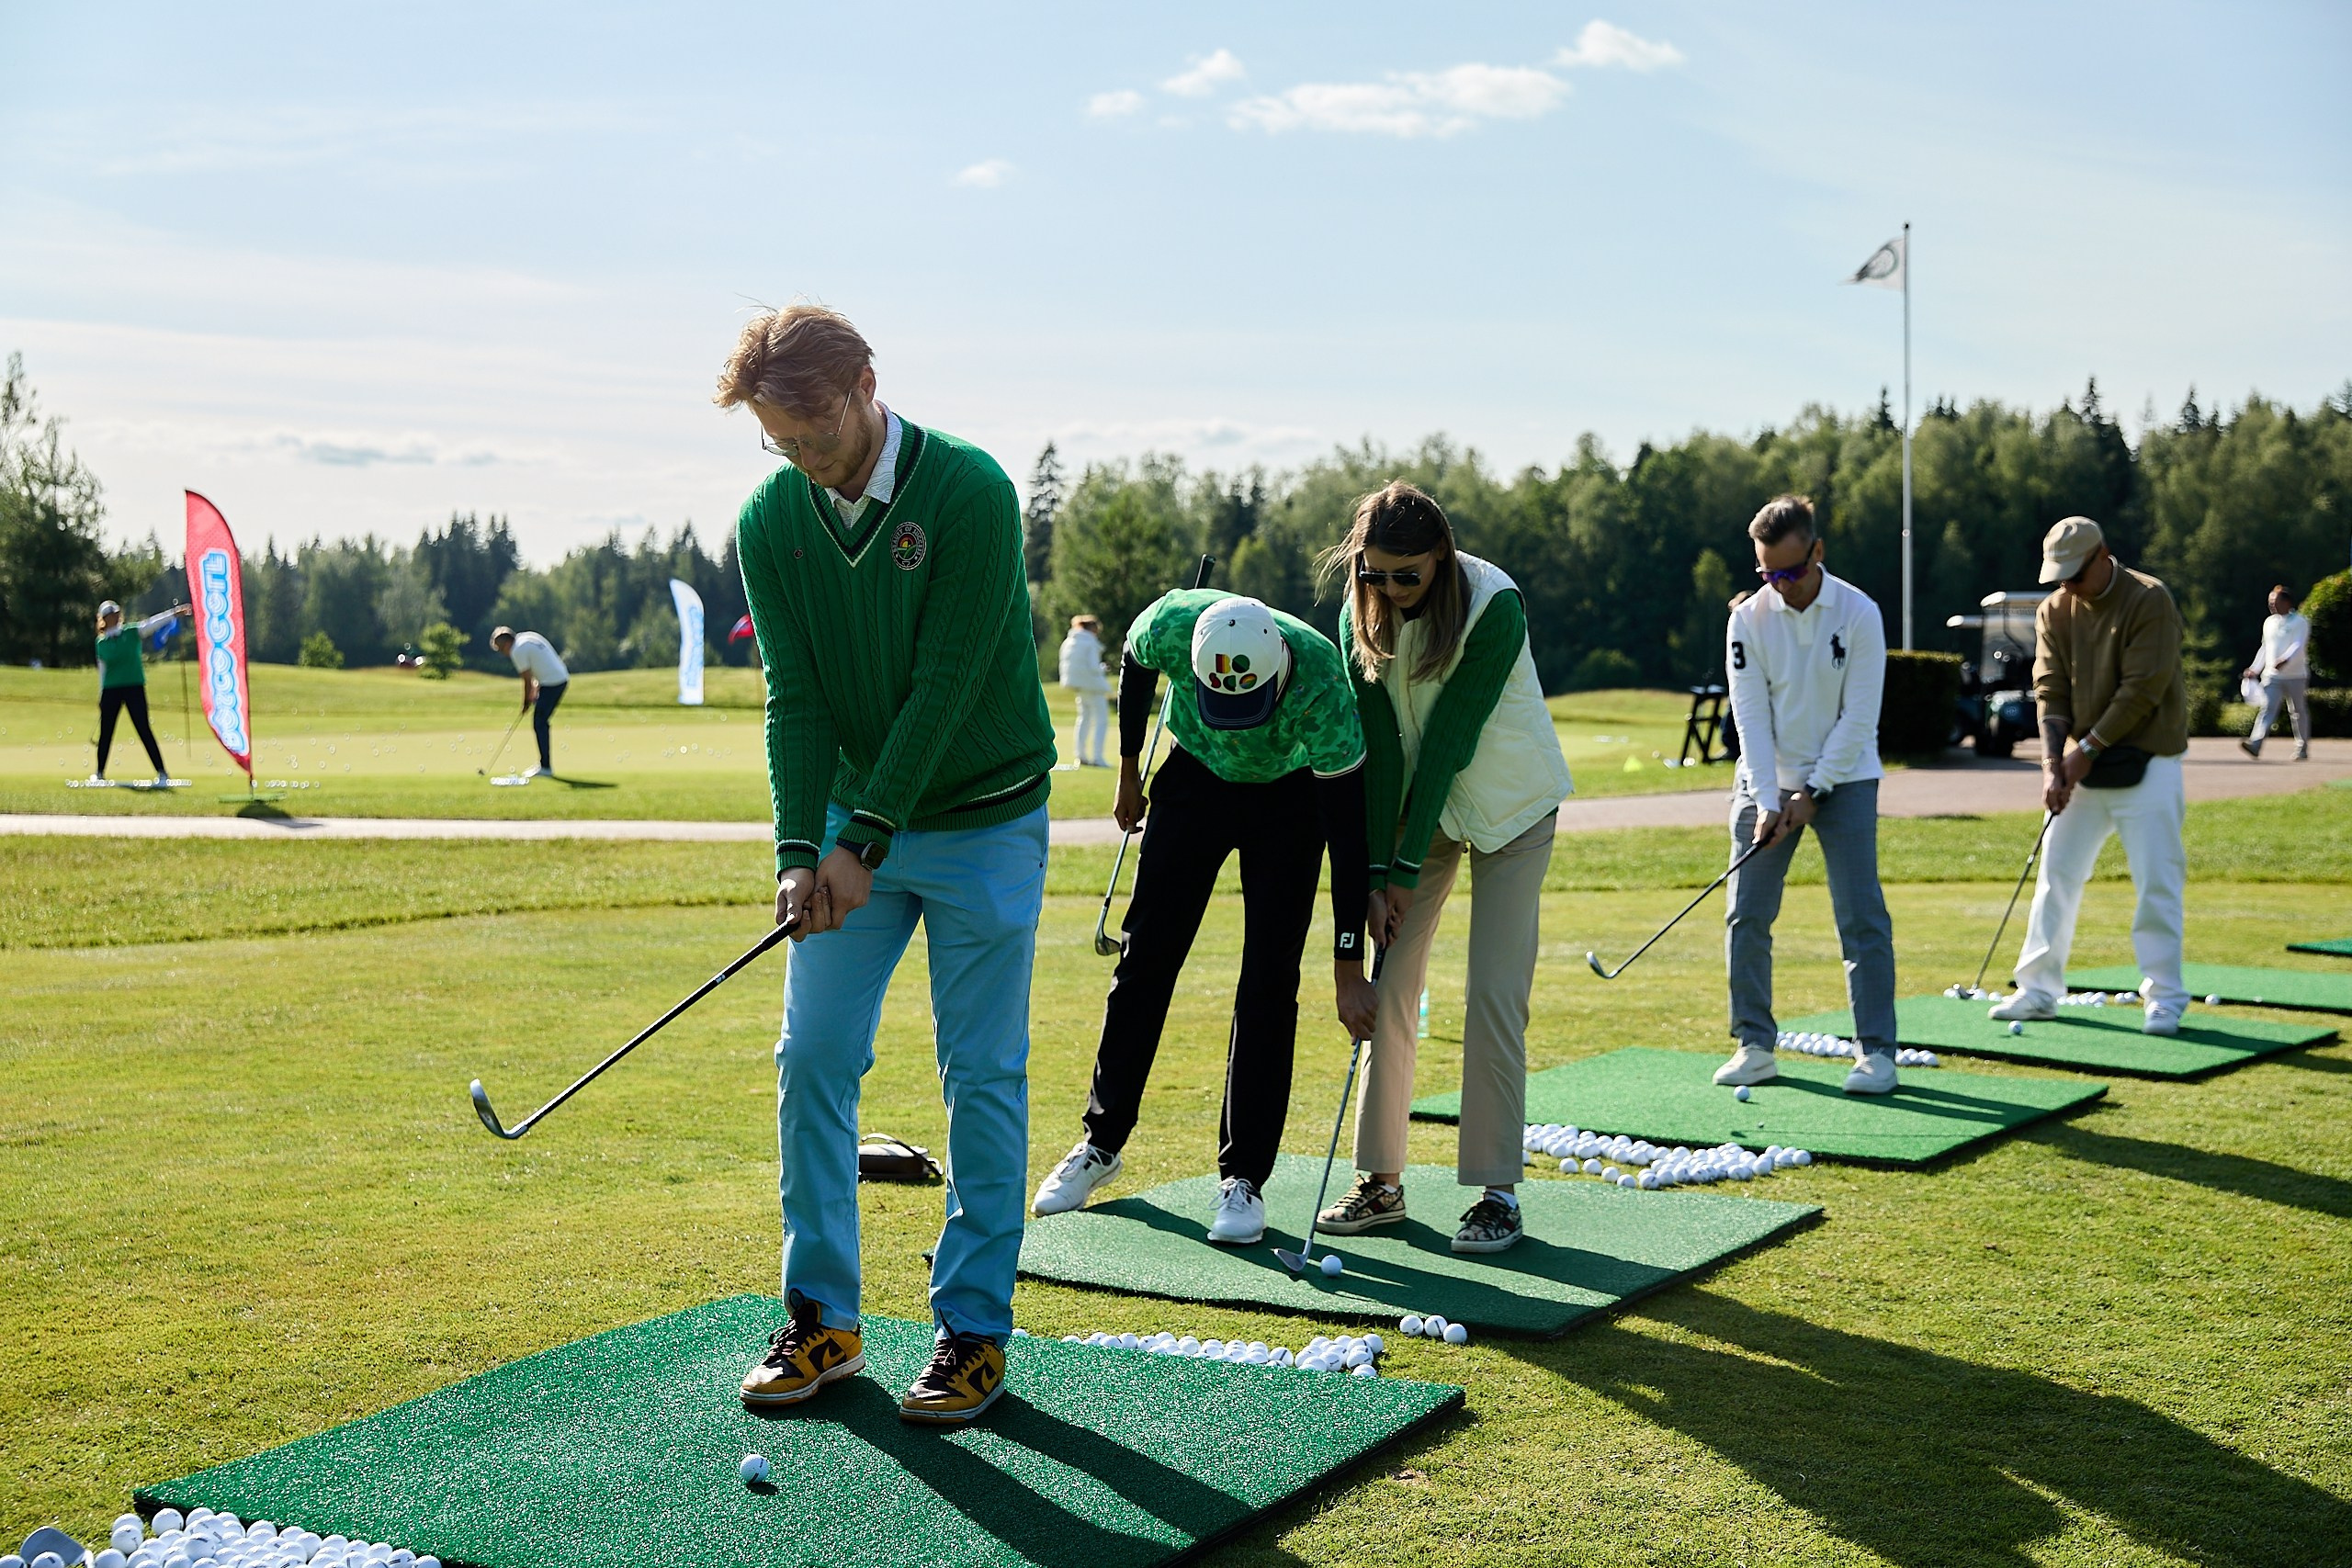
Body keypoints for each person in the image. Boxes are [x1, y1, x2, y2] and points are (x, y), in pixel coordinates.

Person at [718, 305, 1054, 1427]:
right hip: (854, 819)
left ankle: (971, 1332)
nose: (806, 456)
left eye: (815, 426)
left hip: (985, 817)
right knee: (811, 1053)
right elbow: (798, 698)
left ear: (867, 382)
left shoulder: (967, 490)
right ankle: (823, 1320)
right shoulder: (771, 520)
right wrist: (800, 850)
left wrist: (863, 839)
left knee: (981, 1074)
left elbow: (948, 679)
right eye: (781, 439)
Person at [1029, 591, 1375, 1247]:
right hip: (1195, 778)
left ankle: (1244, 1178)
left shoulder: (1325, 686)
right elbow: (1134, 666)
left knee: (1269, 981)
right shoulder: (1169, 624)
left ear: (1278, 673)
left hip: (1288, 795)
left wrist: (1347, 965)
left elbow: (1348, 836)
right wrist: (1129, 771)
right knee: (1145, 960)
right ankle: (1100, 1144)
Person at [1306, 482, 1572, 1255]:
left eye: (1406, 575)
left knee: (1493, 991)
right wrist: (1381, 870)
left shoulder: (1495, 605)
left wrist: (1403, 863)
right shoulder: (1362, 609)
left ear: (1441, 559)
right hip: (1420, 811)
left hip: (1512, 805)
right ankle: (1380, 1182)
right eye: (1374, 573)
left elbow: (1453, 738)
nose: (1389, 589)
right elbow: (1382, 746)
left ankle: (1497, 1193)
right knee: (1392, 985)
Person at [1706, 496, 1898, 1095]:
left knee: (1860, 913)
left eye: (1789, 572)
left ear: (1817, 552)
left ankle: (1877, 1052)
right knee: (1747, 913)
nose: (1779, 585)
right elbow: (1751, 720)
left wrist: (1814, 790)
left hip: (1846, 777)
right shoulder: (1749, 619)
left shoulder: (1859, 612)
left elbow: (1860, 717)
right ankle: (1754, 1043)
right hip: (1767, 777)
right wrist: (1769, 800)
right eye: (1767, 573)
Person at [1989, 517, 2191, 1035]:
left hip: (2149, 762)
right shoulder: (2054, 608)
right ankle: (2037, 990)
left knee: (2156, 883)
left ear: (2104, 556)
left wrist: (2084, 755)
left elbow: (2142, 690)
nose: (2068, 586)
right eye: (2060, 577)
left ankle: (2164, 996)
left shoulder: (2150, 600)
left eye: (2075, 575)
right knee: (2056, 878)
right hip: (2085, 764)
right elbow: (2050, 689)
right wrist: (2054, 765)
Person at [91, 599, 192, 784]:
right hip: (111, 689)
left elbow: (152, 624)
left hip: (134, 686)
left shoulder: (131, 632)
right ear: (104, 619)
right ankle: (99, 773)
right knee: (106, 732)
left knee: (143, 728)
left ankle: (162, 772)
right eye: (109, 615)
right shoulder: (101, 643)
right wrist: (101, 695)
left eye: (115, 613)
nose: (114, 617)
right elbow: (102, 672)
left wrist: (173, 613)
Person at [2241, 584, 2311, 761]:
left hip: (2296, 675)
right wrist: (2255, 668)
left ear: (2287, 602)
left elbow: (2298, 645)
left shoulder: (2299, 622)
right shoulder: (2269, 622)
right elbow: (2265, 647)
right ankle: (2255, 743)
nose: (2272, 605)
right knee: (2267, 709)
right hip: (2272, 676)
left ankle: (2302, 748)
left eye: (2275, 602)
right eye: (2270, 602)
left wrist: (2285, 659)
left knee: (2297, 712)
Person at [490, 626, 569, 779]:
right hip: (558, 678)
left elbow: (526, 680)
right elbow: (541, 665)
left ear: (506, 644)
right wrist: (536, 690)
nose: (503, 653)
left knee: (539, 722)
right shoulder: (527, 637)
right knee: (540, 720)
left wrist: (525, 703)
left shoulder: (517, 651)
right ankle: (544, 764)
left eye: (500, 649)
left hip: (552, 683)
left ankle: (545, 767)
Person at [1057, 614, 1113, 767]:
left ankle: (1081, 756)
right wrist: (1104, 668)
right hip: (1093, 686)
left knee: (1084, 719)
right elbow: (1094, 668)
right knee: (1101, 721)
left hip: (1079, 687)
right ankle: (1097, 758)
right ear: (1092, 628)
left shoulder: (1070, 641)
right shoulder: (1090, 642)